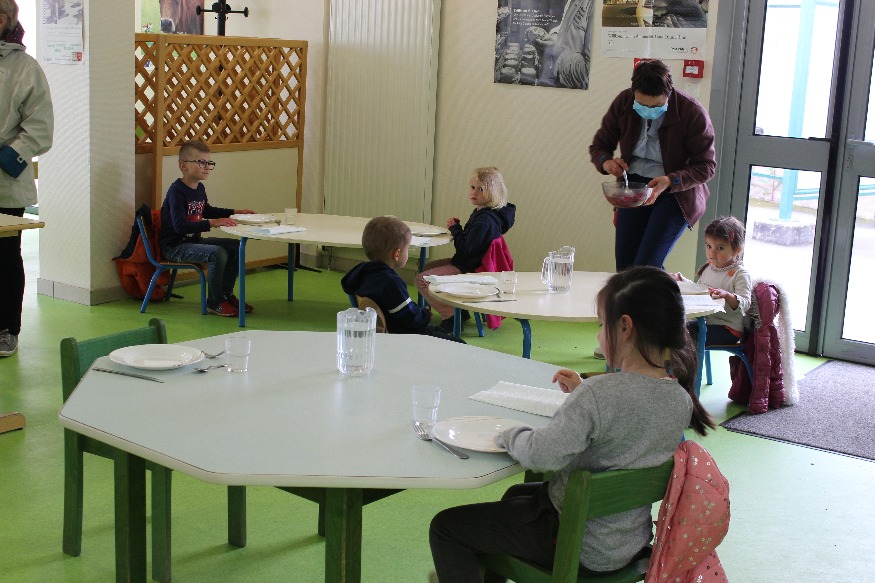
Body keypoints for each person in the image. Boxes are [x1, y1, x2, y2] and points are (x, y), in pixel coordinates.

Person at [429, 267, 716, 582]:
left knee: (446, 527)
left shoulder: (599, 395)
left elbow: (542, 455)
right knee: (515, 495)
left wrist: (508, 435)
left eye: (602, 324)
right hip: (626, 543)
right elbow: (630, 423)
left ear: (625, 327)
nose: (599, 334)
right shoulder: (679, 399)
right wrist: (584, 393)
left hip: (576, 541)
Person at [589, 59, 716, 272]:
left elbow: (706, 166)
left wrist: (670, 180)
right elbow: (600, 146)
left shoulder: (691, 111)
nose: (648, 111)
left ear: (668, 94)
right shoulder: (624, 102)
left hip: (675, 192)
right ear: (633, 92)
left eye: (656, 106)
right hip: (633, 187)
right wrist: (607, 162)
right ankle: (642, 294)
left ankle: (656, 292)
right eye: (641, 105)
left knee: (647, 265)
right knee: (625, 266)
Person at [0, 0, 54, 357]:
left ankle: (6, 329)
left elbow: (40, 128)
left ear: (2, 19)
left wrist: (7, 157)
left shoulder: (24, 68)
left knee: (4, 257)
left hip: (5, 182)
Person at [159, 140, 254, 317]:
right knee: (217, 253)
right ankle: (214, 301)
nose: (207, 167)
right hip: (175, 247)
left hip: (193, 241)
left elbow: (207, 210)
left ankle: (225, 295)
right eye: (201, 162)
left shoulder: (199, 188)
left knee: (235, 247)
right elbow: (180, 227)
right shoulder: (176, 191)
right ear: (183, 165)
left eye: (209, 162)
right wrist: (212, 223)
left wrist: (235, 212)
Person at [414, 167, 516, 333]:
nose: (473, 193)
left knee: (422, 279)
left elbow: (465, 250)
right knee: (428, 268)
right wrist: (459, 229)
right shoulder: (488, 213)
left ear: (493, 192)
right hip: (471, 262)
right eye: (472, 187)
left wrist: (456, 229)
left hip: (469, 267)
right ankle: (460, 311)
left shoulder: (484, 221)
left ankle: (451, 316)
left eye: (480, 189)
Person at [340, 216, 465, 343]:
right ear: (397, 254)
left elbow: (402, 307)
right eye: (407, 248)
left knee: (441, 332)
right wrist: (425, 315)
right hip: (406, 336)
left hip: (389, 332)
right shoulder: (391, 282)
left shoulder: (362, 272)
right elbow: (409, 317)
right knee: (460, 343)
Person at [674, 216, 752, 345]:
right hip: (707, 323)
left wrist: (727, 296)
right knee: (675, 329)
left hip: (728, 329)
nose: (712, 253)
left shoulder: (740, 274)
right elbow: (700, 291)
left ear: (737, 250)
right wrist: (681, 280)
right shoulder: (709, 268)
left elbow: (745, 303)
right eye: (709, 246)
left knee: (687, 339)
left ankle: (689, 359)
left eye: (720, 248)